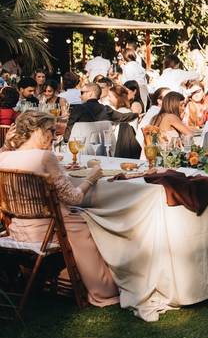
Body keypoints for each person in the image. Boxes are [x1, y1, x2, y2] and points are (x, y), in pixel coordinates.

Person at [0, 111, 119, 306]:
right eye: (51, 130)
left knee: (78, 218)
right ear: (36, 130)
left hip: (16, 229)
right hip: (47, 231)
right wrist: (92, 177)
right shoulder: (44, 157)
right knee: (91, 221)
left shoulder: (4, 157)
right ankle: (103, 287)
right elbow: (73, 198)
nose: (55, 136)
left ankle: (64, 280)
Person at [64, 83, 138, 139]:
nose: (80, 96)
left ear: (90, 94)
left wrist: (65, 140)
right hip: (101, 149)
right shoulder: (106, 110)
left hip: (81, 149)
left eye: (82, 92)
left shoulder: (78, 109)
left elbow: (68, 132)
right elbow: (123, 117)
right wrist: (136, 114)